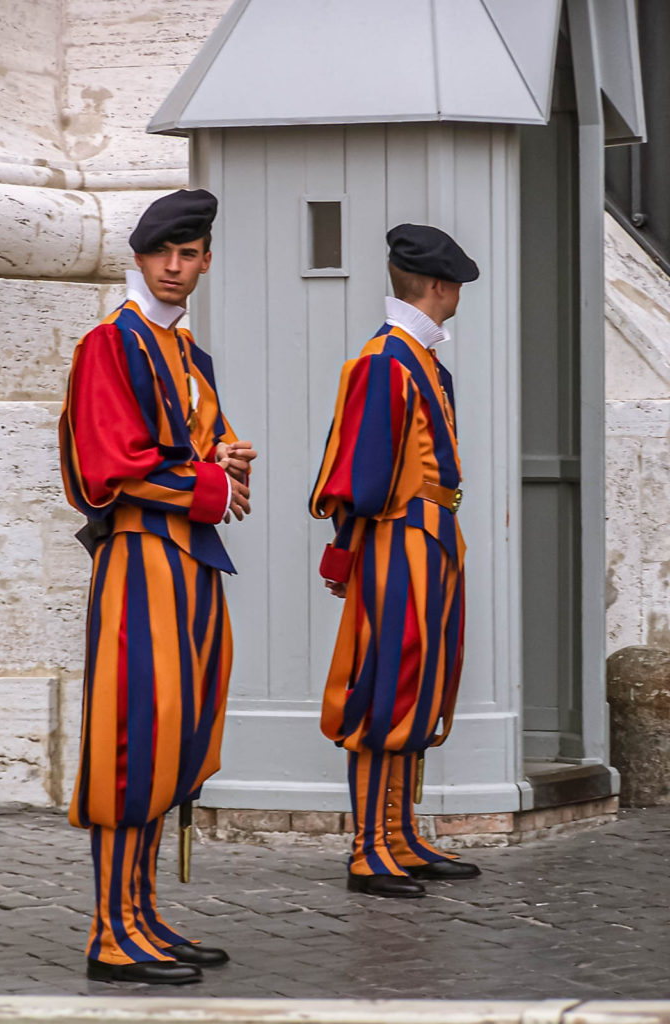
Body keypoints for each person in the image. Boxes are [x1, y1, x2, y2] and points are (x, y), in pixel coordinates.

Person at [59, 189, 256, 983]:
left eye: (190, 253)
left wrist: (224, 460)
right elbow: (110, 465)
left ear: (206, 259)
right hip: (141, 561)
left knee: (177, 735)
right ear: (139, 259)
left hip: (191, 564)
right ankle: (111, 931)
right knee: (134, 734)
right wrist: (208, 485)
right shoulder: (112, 343)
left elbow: (189, 448)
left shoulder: (186, 353)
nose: (176, 267)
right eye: (162, 254)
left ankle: (142, 913)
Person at [310, 223, 480, 898]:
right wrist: (345, 555)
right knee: (385, 686)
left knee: (420, 684)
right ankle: (367, 847)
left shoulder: (418, 360)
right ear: (439, 287)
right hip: (398, 538)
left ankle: (399, 833)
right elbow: (365, 475)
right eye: (457, 285)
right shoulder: (388, 362)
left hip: (429, 537)